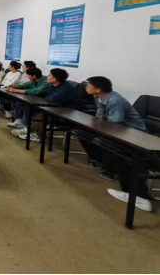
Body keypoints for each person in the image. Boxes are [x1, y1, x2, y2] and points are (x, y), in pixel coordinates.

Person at [79, 77, 153, 212]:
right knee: (83, 133)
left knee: (114, 147)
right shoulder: (99, 97)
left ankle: (136, 194)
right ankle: (100, 161)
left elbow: (115, 122)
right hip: (117, 130)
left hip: (133, 134)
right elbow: (100, 116)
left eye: (88, 85)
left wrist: (99, 125)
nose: (86, 87)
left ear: (98, 89)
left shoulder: (115, 100)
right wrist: (97, 124)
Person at [11, 69, 86, 142]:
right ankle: (35, 133)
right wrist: (47, 96)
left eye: (49, 75)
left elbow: (51, 98)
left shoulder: (65, 88)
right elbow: (44, 93)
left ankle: (28, 131)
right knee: (38, 111)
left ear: (54, 79)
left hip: (73, 112)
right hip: (61, 108)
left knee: (44, 115)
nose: (47, 77)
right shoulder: (53, 85)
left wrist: (47, 96)